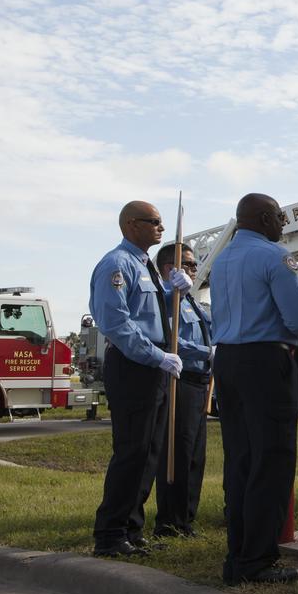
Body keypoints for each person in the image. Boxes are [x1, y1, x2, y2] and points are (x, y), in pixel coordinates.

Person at [211, 193, 298, 585]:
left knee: (241, 459)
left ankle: (237, 554)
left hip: (229, 361)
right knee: (272, 460)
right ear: (261, 218)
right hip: (266, 361)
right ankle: (256, 558)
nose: (284, 224)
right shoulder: (276, 257)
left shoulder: (222, 260)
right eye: (279, 216)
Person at [88, 201, 186, 557]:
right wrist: (156, 355)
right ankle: (110, 533)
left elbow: (159, 317)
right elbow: (116, 323)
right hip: (133, 365)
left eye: (162, 222)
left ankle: (131, 526)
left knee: (150, 451)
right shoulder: (117, 264)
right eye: (154, 222)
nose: (161, 229)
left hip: (154, 367)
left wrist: (178, 291)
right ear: (132, 225)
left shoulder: (146, 266)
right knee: (131, 451)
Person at [150, 242, 212, 538]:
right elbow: (171, 340)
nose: (193, 269)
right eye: (187, 264)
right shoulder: (166, 298)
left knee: (195, 456)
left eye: (194, 265)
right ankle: (171, 522)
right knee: (177, 452)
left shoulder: (190, 301)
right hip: (181, 381)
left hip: (201, 384)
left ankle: (187, 517)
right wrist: (207, 352)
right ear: (168, 269)